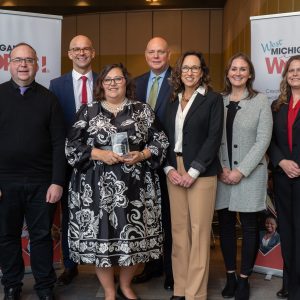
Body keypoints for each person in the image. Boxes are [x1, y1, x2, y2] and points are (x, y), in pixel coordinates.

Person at [65, 63, 169, 300]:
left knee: (130, 239)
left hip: (135, 187)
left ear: (126, 82)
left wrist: (142, 154)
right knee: (103, 240)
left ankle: (125, 285)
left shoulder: (142, 110)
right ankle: (110, 291)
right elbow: (71, 145)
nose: (113, 83)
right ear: (101, 84)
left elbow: (161, 140)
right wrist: (98, 153)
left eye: (118, 79)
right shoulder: (87, 110)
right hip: (95, 187)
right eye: (108, 80)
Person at [0, 43, 66, 300]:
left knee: (40, 237)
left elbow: (59, 143)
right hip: (5, 183)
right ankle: (12, 285)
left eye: (29, 60)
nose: (24, 65)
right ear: (9, 64)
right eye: (18, 60)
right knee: (7, 237)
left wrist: (57, 181)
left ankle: (44, 287)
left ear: (37, 64)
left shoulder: (49, 99)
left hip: (42, 182)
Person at [164, 50, 223, 300]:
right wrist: (168, 168)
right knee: (179, 232)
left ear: (202, 72)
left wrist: (194, 170)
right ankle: (181, 288)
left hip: (202, 172)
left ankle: (195, 293)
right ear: (179, 72)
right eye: (185, 68)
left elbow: (213, 138)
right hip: (174, 171)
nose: (190, 72)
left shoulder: (212, 99)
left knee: (198, 233)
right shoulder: (171, 99)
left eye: (195, 68)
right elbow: (163, 138)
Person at [215, 52, 272, 300]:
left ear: (250, 74)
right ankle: (230, 276)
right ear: (227, 73)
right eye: (233, 69)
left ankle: (245, 280)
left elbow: (263, 141)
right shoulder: (218, 100)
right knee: (225, 226)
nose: (237, 73)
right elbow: (212, 138)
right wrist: (221, 169)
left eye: (243, 69)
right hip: (222, 174)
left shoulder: (260, 101)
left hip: (249, 175)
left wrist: (241, 171)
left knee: (249, 228)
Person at [49, 35, 98, 286]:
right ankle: (70, 265)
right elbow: (55, 126)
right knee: (69, 212)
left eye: (86, 49)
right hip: (69, 160)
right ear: (69, 54)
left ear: (93, 52)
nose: (81, 53)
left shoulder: (105, 80)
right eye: (76, 49)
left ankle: (104, 266)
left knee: (102, 211)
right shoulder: (56, 85)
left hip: (102, 160)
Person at [133, 36, 173, 290]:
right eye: (151, 52)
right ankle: (152, 265)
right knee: (149, 216)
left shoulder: (179, 80)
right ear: (146, 55)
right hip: (143, 163)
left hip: (170, 160)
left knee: (170, 218)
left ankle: (171, 270)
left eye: (161, 52)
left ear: (169, 55)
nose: (156, 56)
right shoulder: (136, 83)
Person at [268, 55, 300, 300]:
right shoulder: (277, 106)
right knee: (287, 232)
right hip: (282, 177)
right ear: (285, 75)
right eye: (291, 70)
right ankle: (289, 283)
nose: (295, 74)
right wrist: (281, 161)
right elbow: (271, 141)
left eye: (299, 70)